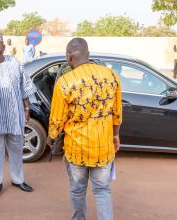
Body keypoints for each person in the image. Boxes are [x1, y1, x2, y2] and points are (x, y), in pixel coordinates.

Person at [47, 38, 122, 220]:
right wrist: (116, 135)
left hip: (76, 149)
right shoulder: (111, 76)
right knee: (102, 190)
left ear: (68, 56)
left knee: (77, 191)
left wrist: (51, 139)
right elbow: (117, 112)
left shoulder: (65, 82)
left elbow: (57, 118)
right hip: (103, 148)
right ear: (88, 54)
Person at [0, 34, 36, 201]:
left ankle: (18, 180)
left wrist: (26, 108)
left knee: (16, 147)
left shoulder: (15, 63)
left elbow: (24, 87)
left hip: (14, 113)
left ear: (3, 47)